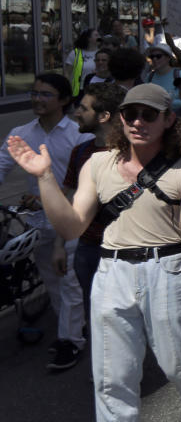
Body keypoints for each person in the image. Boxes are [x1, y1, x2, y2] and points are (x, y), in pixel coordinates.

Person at [7, 83, 181, 422]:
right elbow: (71, 226)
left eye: (148, 114)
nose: (138, 121)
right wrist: (44, 176)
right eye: (130, 114)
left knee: (179, 359)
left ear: (168, 119)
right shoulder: (97, 163)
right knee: (112, 371)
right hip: (112, 270)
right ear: (119, 118)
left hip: (169, 266)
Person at [0, 73, 93, 370]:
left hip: (76, 219)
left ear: (64, 100)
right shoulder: (21, 133)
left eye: (46, 94)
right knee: (54, 282)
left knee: (69, 284)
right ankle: (73, 329)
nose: (37, 99)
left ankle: (70, 341)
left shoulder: (80, 134)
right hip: (40, 223)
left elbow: (85, 181)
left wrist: (48, 198)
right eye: (34, 93)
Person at [63, 82, 126, 329]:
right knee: (97, 317)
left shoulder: (133, 153)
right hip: (87, 248)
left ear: (104, 116)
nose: (76, 113)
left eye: (83, 108)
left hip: (123, 250)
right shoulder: (80, 152)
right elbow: (69, 198)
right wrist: (60, 245)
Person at [145, 43, 181, 109]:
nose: (154, 59)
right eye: (152, 57)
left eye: (158, 56)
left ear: (168, 58)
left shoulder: (180, 75)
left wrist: (172, 103)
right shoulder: (149, 77)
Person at [65, 28, 101, 97]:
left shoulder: (101, 52)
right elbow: (67, 73)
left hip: (97, 89)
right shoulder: (75, 53)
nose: (99, 37)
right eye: (96, 35)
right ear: (88, 38)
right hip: (79, 91)